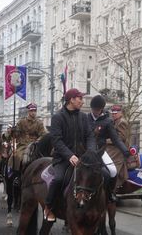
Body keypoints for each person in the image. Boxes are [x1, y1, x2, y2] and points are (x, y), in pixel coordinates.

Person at [44, 88, 96, 222]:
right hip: (63, 159)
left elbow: (90, 135)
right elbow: (56, 140)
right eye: (80, 99)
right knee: (59, 179)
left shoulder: (83, 117)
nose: (82, 101)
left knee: (101, 174)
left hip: (82, 158)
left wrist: (90, 151)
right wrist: (69, 156)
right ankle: (48, 207)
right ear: (71, 100)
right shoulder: (57, 117)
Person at [88, 95, 129, 202]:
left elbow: (116, 138)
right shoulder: (85, 118)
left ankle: (110, 193)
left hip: (101, 150)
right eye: (94, 109)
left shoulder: (108, 121)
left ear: (101, 109)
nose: (95, 112)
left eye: (97, 110)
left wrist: (125, 150)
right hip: (87, 150)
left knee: (112, 170)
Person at [8, 103, 46, 173]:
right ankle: (15, 173)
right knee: (17, 156)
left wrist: (38, 140)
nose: (33, 112)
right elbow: (16, 134)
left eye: (35, 111)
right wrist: (13, 131)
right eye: (32, 111)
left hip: (35, 144)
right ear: (28, 112)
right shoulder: (22, 122)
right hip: (23, 144)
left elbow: (43, 134)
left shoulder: (39, 123)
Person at [106, 104, 129, 187]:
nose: (113, 115)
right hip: (114, 145)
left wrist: (106, 141)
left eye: (115, 113)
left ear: (120, 113)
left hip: (119, 148)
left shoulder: (122, 122)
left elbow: (121, 137)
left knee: (112, 163)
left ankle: (115, 185)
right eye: (112, 113)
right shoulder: (114, 121)